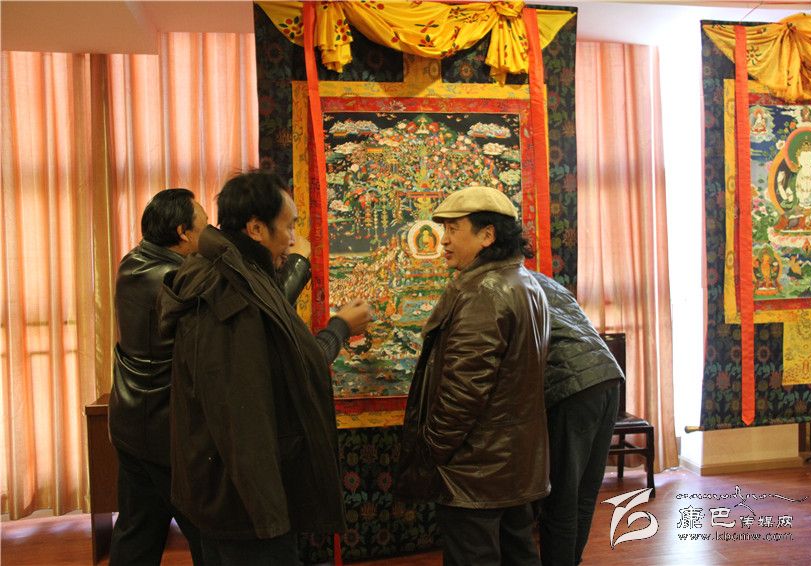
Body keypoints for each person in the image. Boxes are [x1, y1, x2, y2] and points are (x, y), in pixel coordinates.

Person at [159, 170, 371, 565]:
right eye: (288, 227)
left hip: (236, 497)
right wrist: (269, 519)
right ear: (256, 229)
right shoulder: (227, 293)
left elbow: (288, 361)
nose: (293, 239)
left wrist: (338, 328)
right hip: (245, 509)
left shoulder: (243, 275)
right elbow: (241, 421)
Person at [396, 185, 550, 566]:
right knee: (519, 554)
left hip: (476, 470)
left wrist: (431, 451)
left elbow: (463, 394)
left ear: (487, 235)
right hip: (512, 464)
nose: (444, 241)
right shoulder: (526, 282)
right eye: (443, 230)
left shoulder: (484, 291)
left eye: (453, 229)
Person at [108, 188, 208, 565]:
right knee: (209, 535)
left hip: (130, 422)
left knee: (137, 531)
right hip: (166, 434)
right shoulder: (177, 278)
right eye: (204, 227)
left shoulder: (131, 263)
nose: (209, 235)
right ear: (183, 232)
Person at [531, 273, 624, 566]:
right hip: (607, 376)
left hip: (573, 385)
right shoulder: (545, 281)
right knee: (583, 494)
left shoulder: (503, 285)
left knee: (561, 498)